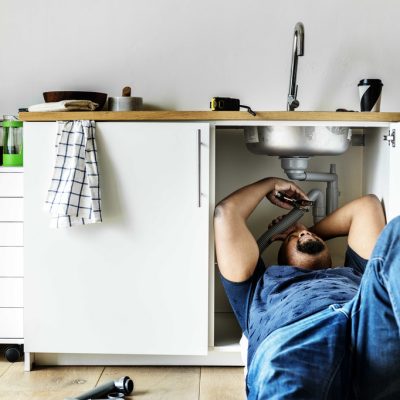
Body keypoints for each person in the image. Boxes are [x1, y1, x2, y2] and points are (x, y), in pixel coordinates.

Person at [213, 176, 400, 399]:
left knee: (395, 233)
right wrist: (270, 183)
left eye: (306, 234)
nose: (304, 234)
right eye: (293, 238)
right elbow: (226, 213)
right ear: (281, 257)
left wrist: (304, 230)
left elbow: (367, 206)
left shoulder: (354, 272)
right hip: (297, 338)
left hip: (365, 327)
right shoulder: (257, 285)